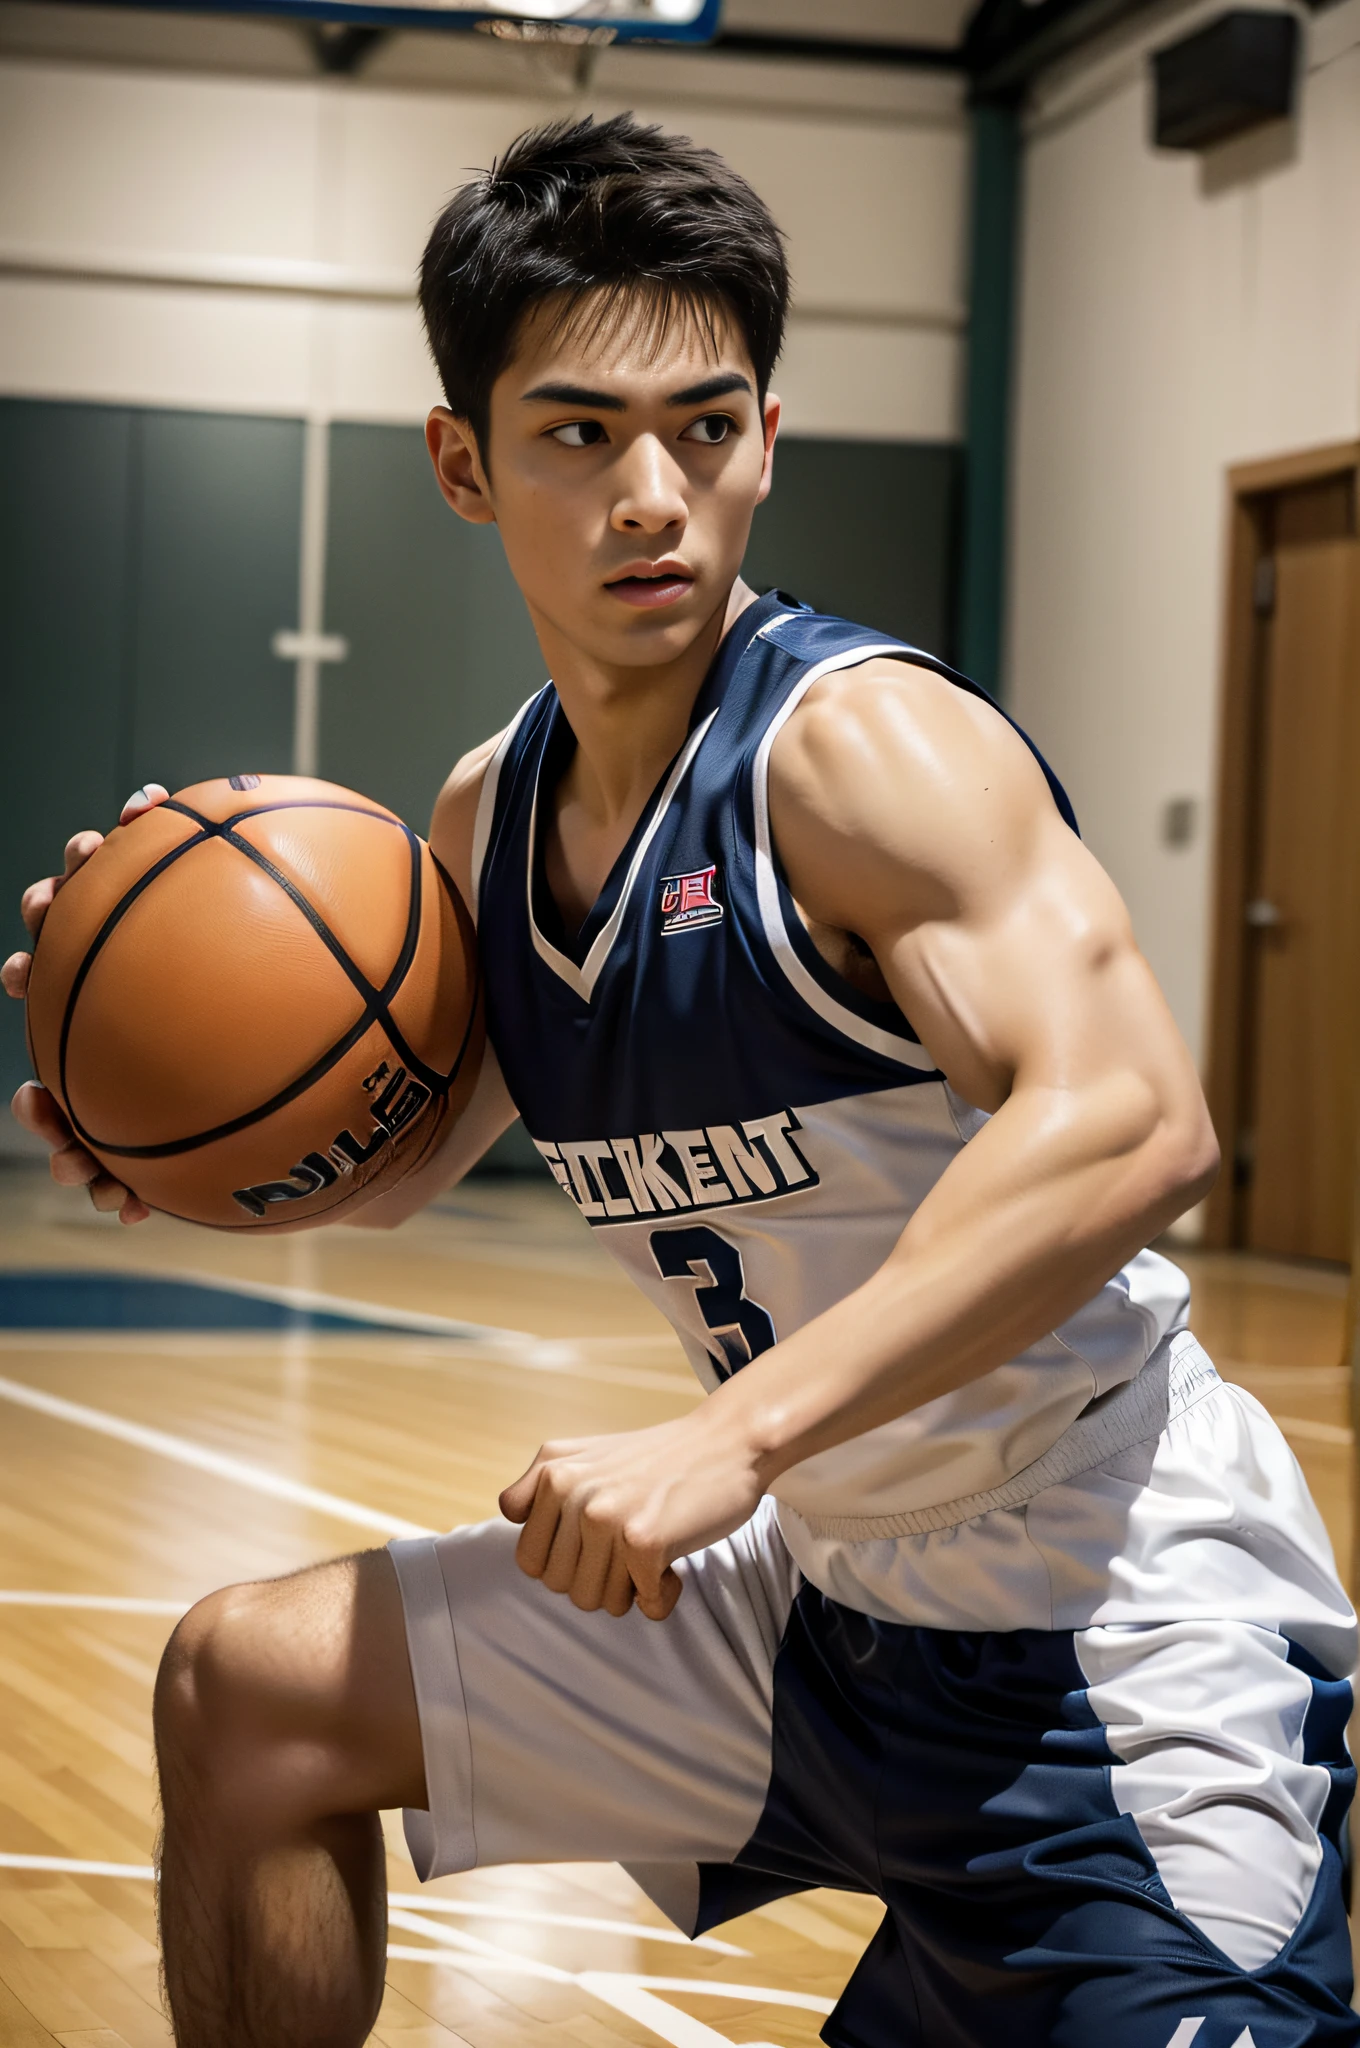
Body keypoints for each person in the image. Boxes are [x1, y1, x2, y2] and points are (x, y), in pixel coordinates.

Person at [4, 114, 1356, 2048]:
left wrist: (728, 1444)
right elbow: (406, 1152)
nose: (656, 494)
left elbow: (1138, 1122)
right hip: (821, 1603)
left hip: (1108, 1604)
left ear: (769, 441)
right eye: (579, 435)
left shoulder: (863, 756)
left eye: (706, 428)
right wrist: (171, 1134)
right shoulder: (493, 814)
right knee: (250, 1694)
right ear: (463, 466)